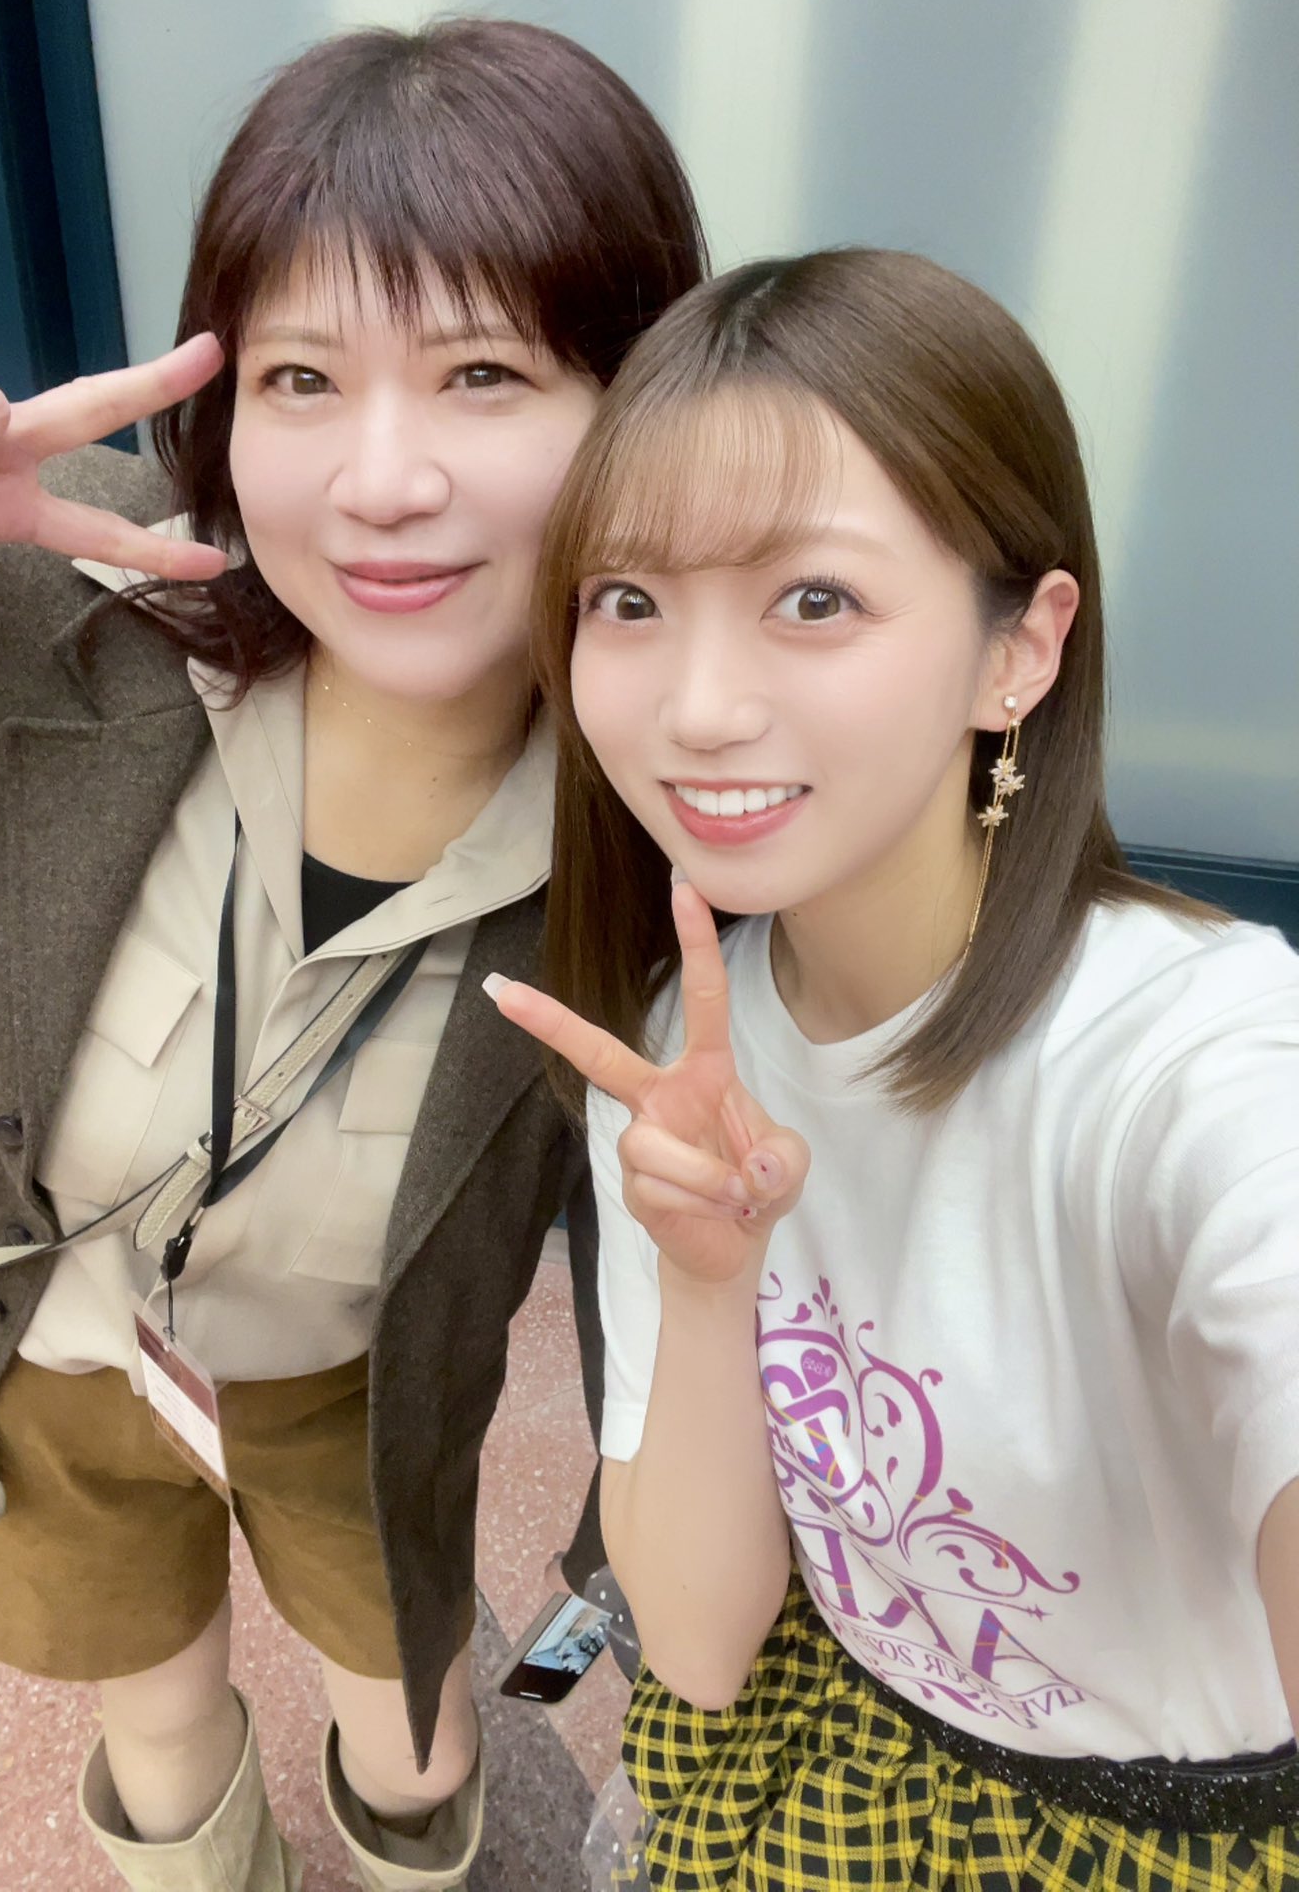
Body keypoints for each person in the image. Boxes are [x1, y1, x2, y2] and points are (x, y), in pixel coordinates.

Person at [0, 18, 706, 1891]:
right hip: (43, 1330)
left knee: (419, 1736)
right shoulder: (35, 586)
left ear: (640, 405)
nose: (381, 480)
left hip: (363, 1393)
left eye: (483, 374)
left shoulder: (676, 799)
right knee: (157, 1715)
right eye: (300, 377)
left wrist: (630, 1536)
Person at [490, 250, 1299, 1889]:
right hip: (838, 1731)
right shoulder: (678, 1052)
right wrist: (707, 1280)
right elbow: (699, 1648)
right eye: (629, 600)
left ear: (1022, 649)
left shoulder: (1195, 1058)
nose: (697, 708)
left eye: (814, 600)